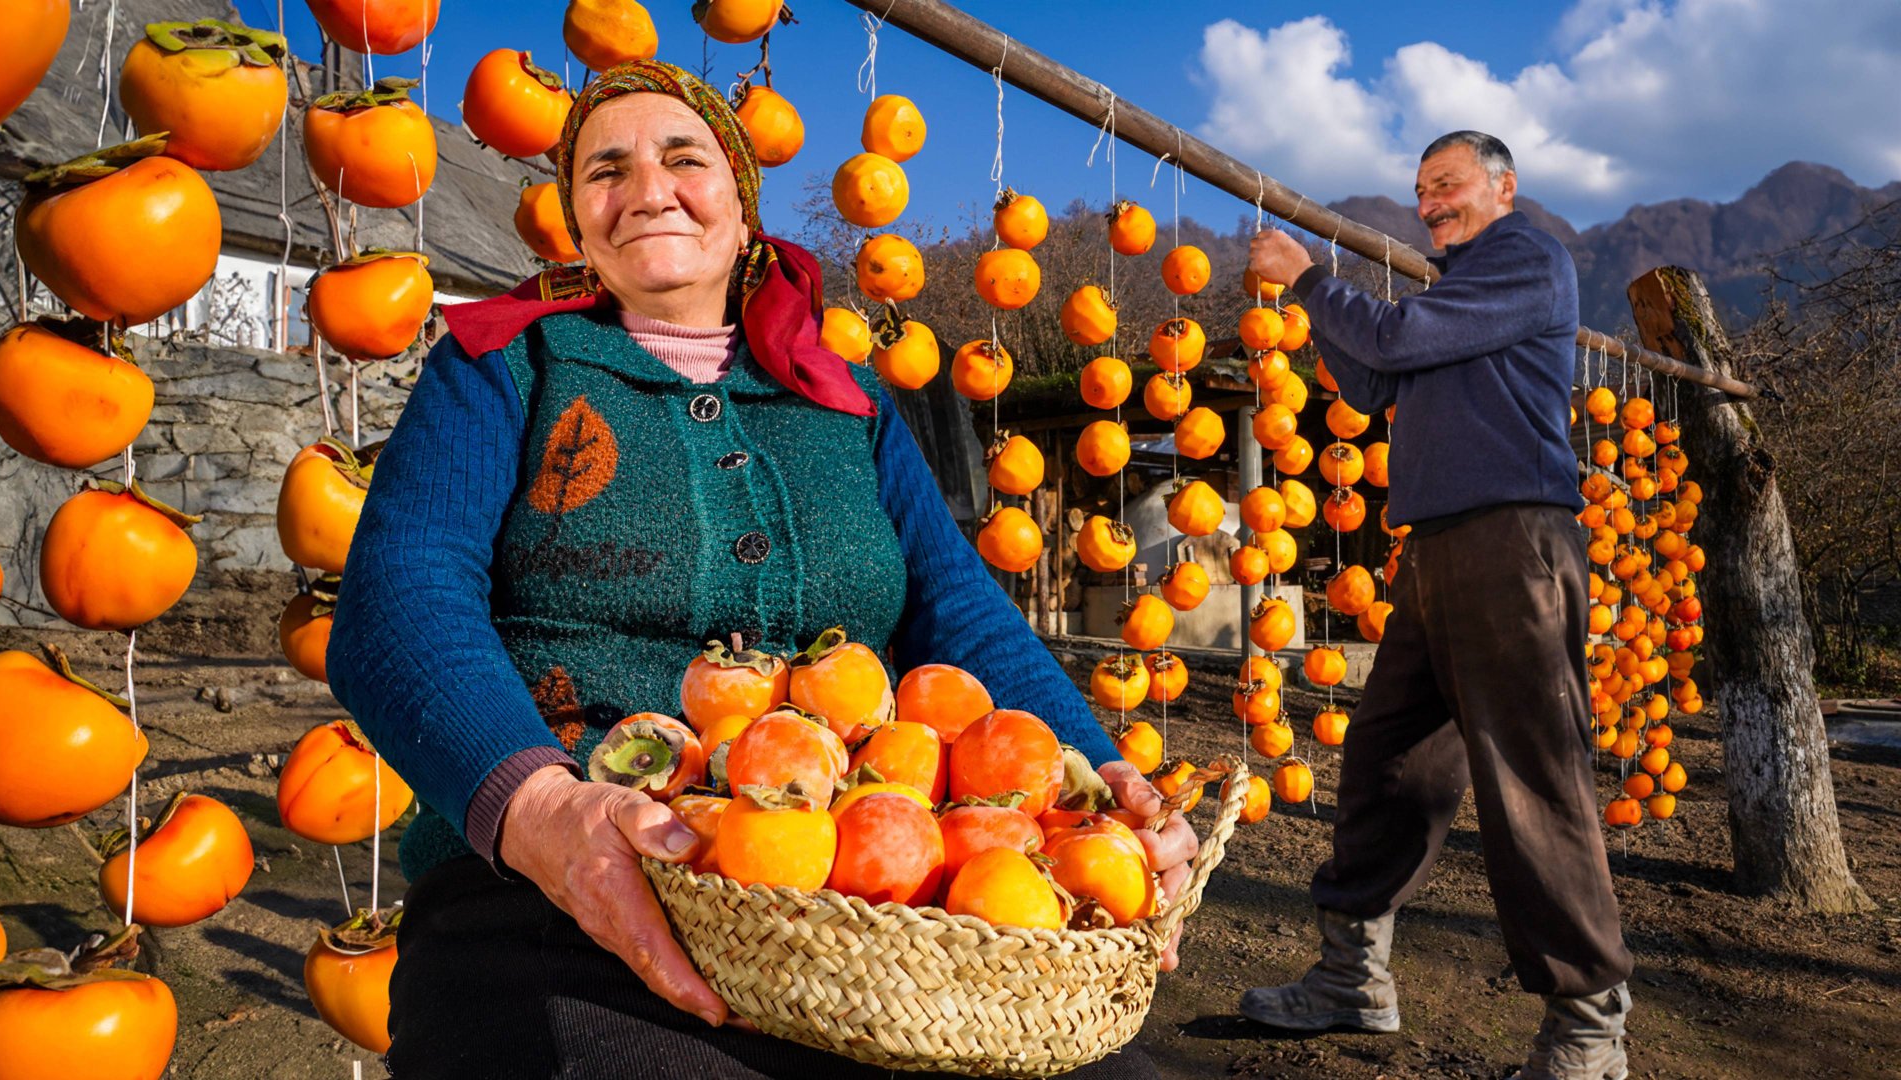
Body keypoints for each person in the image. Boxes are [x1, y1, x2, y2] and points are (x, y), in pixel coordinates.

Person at [324, 61, 1196, 1080]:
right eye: (605, 170)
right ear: (578, 227)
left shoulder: (849, 404)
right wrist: (542, 811)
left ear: (744, 214)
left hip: (864, 905)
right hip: (562, 888)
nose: (647, 189)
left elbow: (964, 614)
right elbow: (401, 602)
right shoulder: (501, 369)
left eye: (683, 159)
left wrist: (1097, 783)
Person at [1240, 131, 1634, 1080]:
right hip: (1437, 548)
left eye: (1446, 184)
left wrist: (1309, 278)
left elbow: (1393, 340)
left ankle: (1589, 1028)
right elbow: (1372, 376)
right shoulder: (1454, 291)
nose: (1429, 204)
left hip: (1513, 541)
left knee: (1531, 778)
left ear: (1504, 186)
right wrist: (1319, 305)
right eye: (1420, 191)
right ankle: (1353, 976)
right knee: (1389, 760)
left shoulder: (1526, 258)